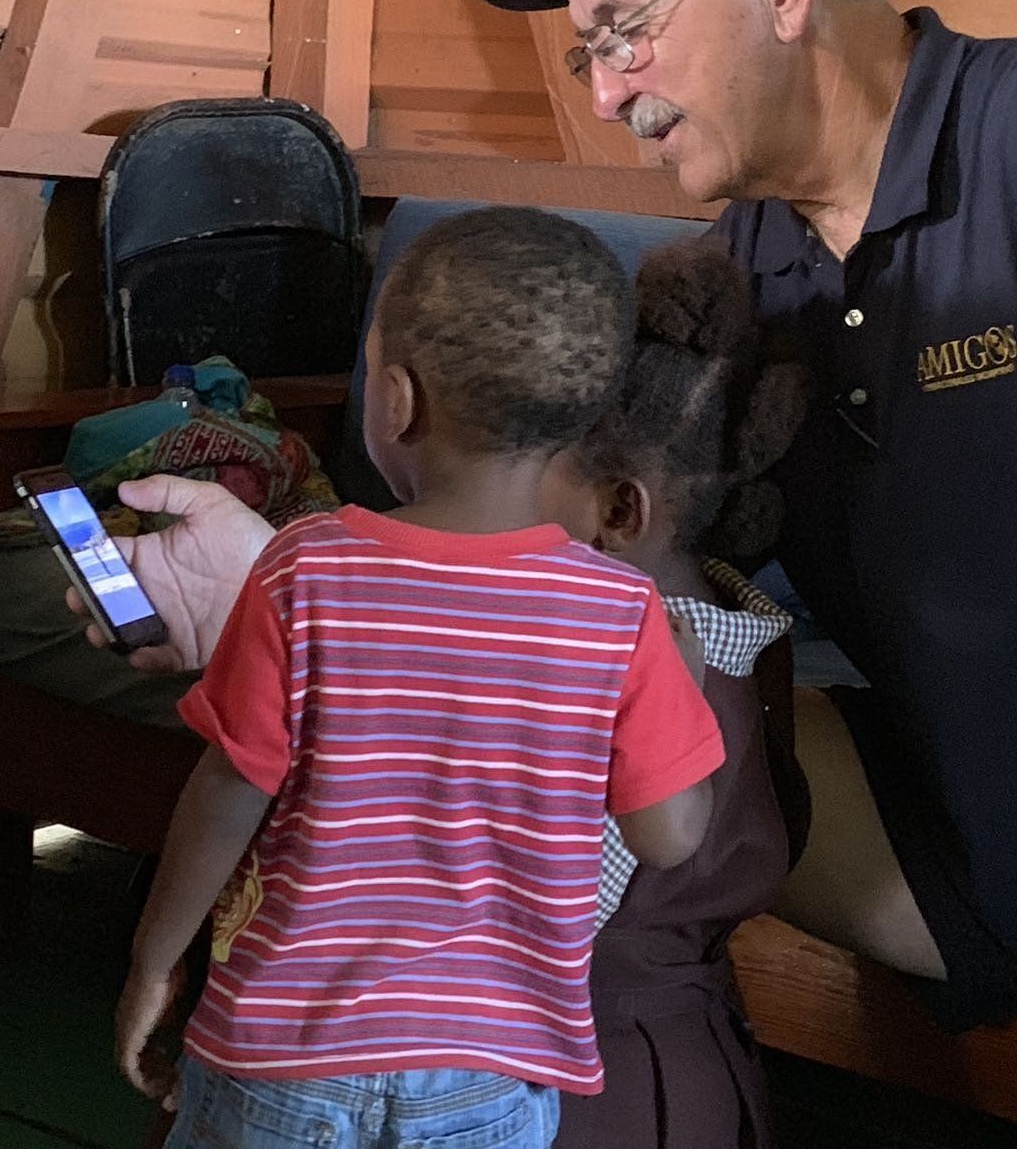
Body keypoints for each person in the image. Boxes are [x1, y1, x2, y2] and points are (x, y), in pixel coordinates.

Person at [463, 0, 1017, 1029]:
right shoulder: (737, 280)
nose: (605, 94)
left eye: (623, 29)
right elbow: (594, 569)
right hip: (970, 864)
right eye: (588, 49)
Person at [115, 206, 725, 1149]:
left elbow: (230, 790)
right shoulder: (621, 614)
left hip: (285, 1055)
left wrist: (156, 960)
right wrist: (682, 682)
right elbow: (670, 836)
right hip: (488, 1076)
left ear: (395, 400)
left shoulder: (305, 568)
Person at [539, 234, 807, 1149]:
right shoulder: (750, 646)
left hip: (578, 1095)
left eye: (525, 477)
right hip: (704, 1083)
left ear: (620, 511)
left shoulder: (607, 674)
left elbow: (542, 925)